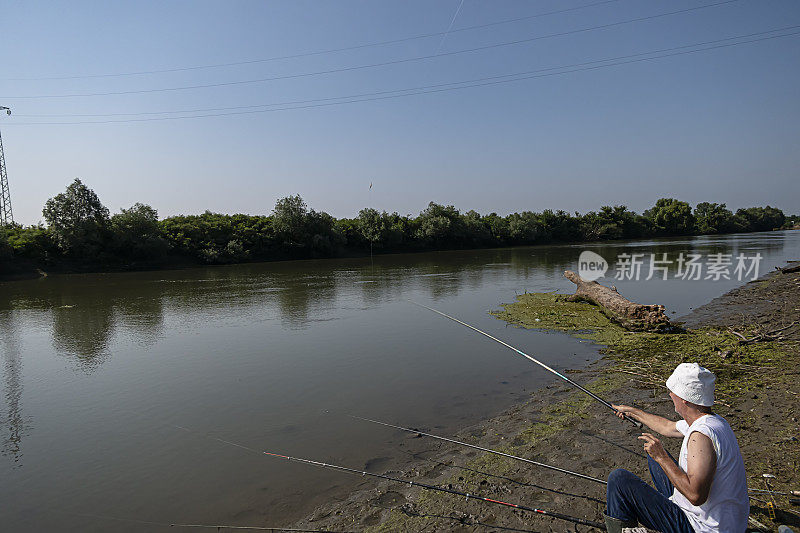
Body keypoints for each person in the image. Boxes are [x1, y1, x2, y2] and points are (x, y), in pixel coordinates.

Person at [604, 363, 749, 533]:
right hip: (724, 521)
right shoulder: (713, 421)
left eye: (673, 391)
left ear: (684, 399)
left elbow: (696, 496)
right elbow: (667, 427)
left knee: (619, 479)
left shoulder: (700, 437)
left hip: (702, 528)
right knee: (654, 459)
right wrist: (632, 412)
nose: (670, 394)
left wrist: (662, 457)